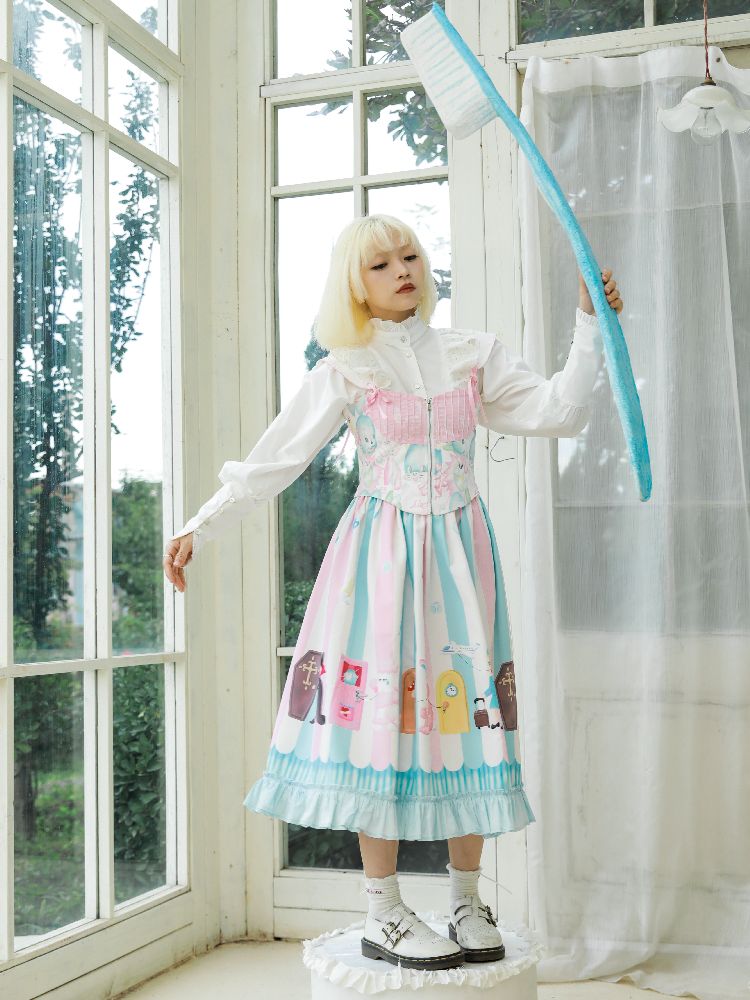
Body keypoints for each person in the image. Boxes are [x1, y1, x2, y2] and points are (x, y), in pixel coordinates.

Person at [163, 214, 622, 971]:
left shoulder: (473, 354)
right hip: (376, 565)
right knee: (378, 720)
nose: (401, 270)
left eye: (409, 255)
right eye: (379, 264)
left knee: (465, 716)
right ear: (355, 284)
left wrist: (589, 322)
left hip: (461, 563)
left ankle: (467, 899)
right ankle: (383, 909)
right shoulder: (347, 368)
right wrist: (199, 526)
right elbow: (276, 459)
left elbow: (561, 413)